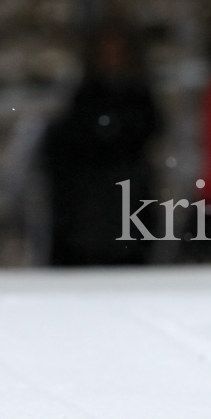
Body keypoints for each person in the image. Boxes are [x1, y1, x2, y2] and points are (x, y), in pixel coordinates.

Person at [45, 25, 160, 265]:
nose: (112, 60)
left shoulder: (138, 100)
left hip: (126, 215)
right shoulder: (82, 102)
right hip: (89, 221)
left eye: (118, 53)